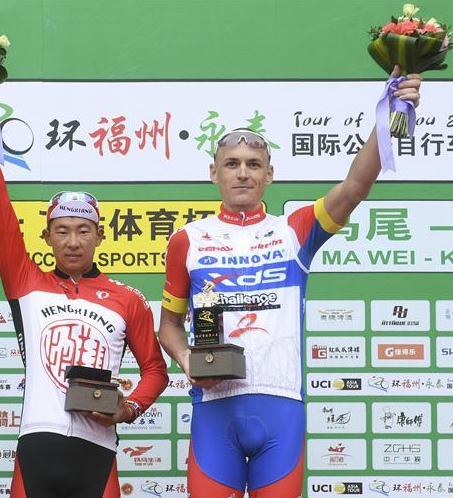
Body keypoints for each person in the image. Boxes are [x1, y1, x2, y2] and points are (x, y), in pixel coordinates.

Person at [158, 67, 422, 498]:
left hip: (281, 410)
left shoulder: (293, 230)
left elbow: (355, 186)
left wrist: (391, 112)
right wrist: (187, 360)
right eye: (231, 164)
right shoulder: (187, 239)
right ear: (213, 173)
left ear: (270, 174)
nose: (242, 173)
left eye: (253, 165)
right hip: (214, 410)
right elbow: (168, 326)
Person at [0, 95, 168, 498]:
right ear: (47, 236)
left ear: (100, 236)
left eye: (83, 230)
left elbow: (156, 370)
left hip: (98, 454)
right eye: (62, 231)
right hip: (38, 449)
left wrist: (129, 409)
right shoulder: (26, 282)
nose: (73, 242)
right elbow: (0, 215)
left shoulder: (128, 299)